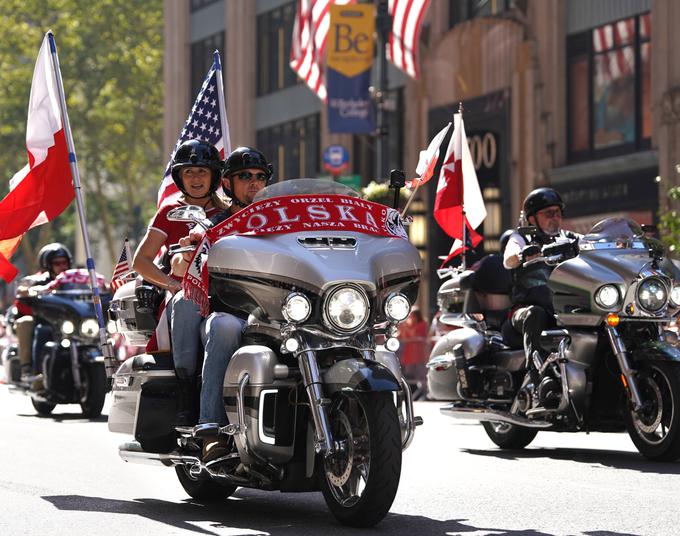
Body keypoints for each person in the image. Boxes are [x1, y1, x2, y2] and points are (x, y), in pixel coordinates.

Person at [172, 147, 273, 462]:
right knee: (223, 327)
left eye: (260, 177)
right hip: (230, 310)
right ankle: (211, 430)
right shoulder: (213, 221)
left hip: (282, 312)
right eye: (244, 177)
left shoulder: (284, 219)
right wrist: (185, 257)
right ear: (228, 184)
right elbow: (179, 262)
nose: (254, 183)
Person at [132, 139, 228, 423]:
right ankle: (187, 391)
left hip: (226, 293)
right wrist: (172, 285)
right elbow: (141, 261)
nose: (196, 178)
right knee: (187, 302)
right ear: (179, 177)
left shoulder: (229, 213)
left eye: (202, 171)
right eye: (189, 172)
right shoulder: (170, 212)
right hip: (185, 292)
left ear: (214, 175)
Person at [502, 187, 574, 413]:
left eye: (558, 212)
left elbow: (592, 244)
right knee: (536, 314)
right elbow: (508, 259)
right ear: (532, 218)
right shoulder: (520, 237)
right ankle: (539, 382)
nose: (555, 218)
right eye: (548, 213)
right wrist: (522, 255)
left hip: (561, 309)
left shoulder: (568, 239)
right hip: (523, 312)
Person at [14, 243, 73, 381]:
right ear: (48, 265)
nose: (62, 266)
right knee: (38, 329)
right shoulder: (38, 281)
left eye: (65, 262)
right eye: (57, 263)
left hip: (69, 323)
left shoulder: (74, 279)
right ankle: (31, 370)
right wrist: (26, 292)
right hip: (45, 321)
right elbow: (22, 294)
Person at [397, 307, 430, 399]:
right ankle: (412, 394)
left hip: (419, 355)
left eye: (411, 316)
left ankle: (425, 394)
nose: (410, 318)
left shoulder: (422, 324)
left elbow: (417, 336)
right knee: (409, 376)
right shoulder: (407, 325)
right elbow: (400, 336)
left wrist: (406, 329)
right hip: (408, 356)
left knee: (421, 376)